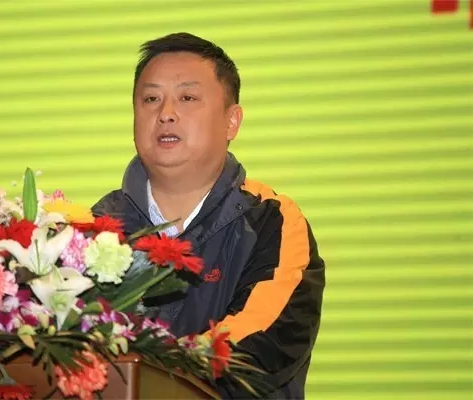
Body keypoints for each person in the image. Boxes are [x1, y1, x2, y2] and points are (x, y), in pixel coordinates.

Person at [92, 32, 325, 399]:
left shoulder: (271, 221)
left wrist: (149, 374)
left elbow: (259, 347)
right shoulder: (94, 230)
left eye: (187, 98)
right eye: (151, 99)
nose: (166, 113)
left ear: (232, 121)